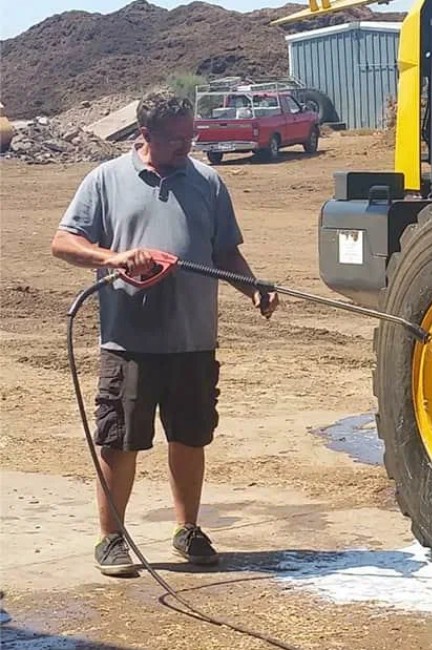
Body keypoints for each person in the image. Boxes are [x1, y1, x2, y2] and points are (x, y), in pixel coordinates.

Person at [51, 90, 278, 577]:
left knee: (190, 437)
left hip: (194, 339)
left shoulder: (208, 183)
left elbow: (225, 254)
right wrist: (113, 258)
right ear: (144, 136)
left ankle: (187, 530)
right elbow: (63, 241)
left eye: (190, 135)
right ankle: (111, 538)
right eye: (176, 138)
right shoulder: (106, 180)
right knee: (119, 441)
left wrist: (253, 288)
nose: (187, 145)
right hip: (129, 342)